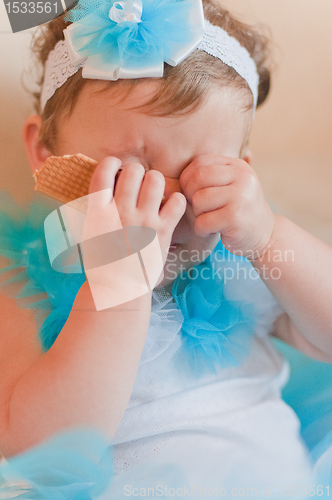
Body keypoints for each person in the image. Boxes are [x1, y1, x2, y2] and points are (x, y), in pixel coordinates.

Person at [1, 0, 332, 497]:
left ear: (244, 172)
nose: (168, 206)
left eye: (204, 174)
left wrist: (268, 237)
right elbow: (34, 448)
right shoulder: (22, 287)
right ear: (45, 153)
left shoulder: (244, 269)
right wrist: (119, 290)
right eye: (128, 176)